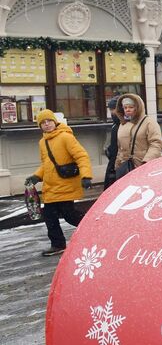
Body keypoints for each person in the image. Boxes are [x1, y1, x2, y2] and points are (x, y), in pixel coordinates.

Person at [25, 110, 93, 257]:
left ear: (54, 121)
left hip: (66, 184)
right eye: (43, 122)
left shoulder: (65, 137)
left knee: (69, 215)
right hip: (51, 186)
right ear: (40, 126)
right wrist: (36, 176)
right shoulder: (43, 142)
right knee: (50, 216)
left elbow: (81, 156)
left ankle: (94, 229)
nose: (47, 124)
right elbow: (46, 164)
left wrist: (86, 176)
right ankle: (58, 244)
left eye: (49, 121)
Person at [114, 94, 162, 176]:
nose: (127, 110)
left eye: (131, 107)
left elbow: (156, 144)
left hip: (144, 167)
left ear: (137, 107)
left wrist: (146, 162)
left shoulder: (149, 122)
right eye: (125, 108)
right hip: (126, 168)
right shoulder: (123, 124)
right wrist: (118, 165)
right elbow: (120, 148)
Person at [103, 97, 119, 189]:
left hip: (118, 163)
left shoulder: (122, 125)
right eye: (110, 110)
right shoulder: (114, 125)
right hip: (113, 162)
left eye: (114, 109)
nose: (112, 112)